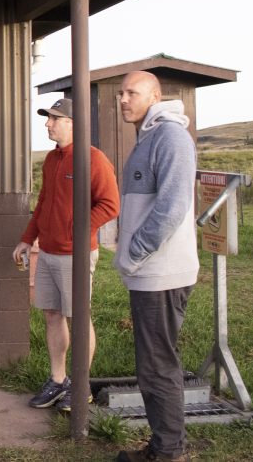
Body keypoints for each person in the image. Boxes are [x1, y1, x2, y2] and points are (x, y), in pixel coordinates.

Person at [13, 97, 119, 411]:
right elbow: (44, 202)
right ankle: (58, 381)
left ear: (72, 123)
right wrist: (27, 239)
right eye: (48, 118)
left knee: (78, 318)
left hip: (75, 254)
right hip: (47, 252)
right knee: (51, 314)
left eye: (54, 118)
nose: (48, 123)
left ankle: (81, 386)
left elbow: (110, 204)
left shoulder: (93, 158)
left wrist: (77, 231)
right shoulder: (51, 159)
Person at [114, 71, 198, 462]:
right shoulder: (148, 137)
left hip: (160, 272)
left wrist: (134, 253)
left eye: (132, 92)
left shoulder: (171, 137)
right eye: (120, 93)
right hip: (149, 272)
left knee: (158, 365)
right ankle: (164, 446)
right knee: (152, 363)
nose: (123, 99)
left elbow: (172, 208)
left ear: (156, 95)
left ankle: (167, 452)